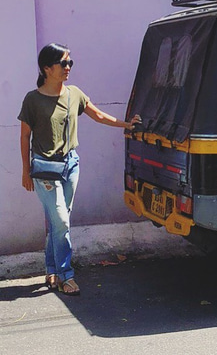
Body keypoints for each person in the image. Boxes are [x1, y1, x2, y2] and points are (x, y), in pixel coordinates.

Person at [18, 43, 140, 296]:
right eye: (63, 63)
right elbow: (24, 136)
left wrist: (126, 125)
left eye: (70, 62)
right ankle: (66, 275)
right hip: (44, 169)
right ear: (46, 68)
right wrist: (24, 170)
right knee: (61, 220)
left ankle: (51, 269)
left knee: (58, 222)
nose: (68, 67)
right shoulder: (33, 99)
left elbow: (98, 115)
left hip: (71, 166)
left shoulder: (74, 94)